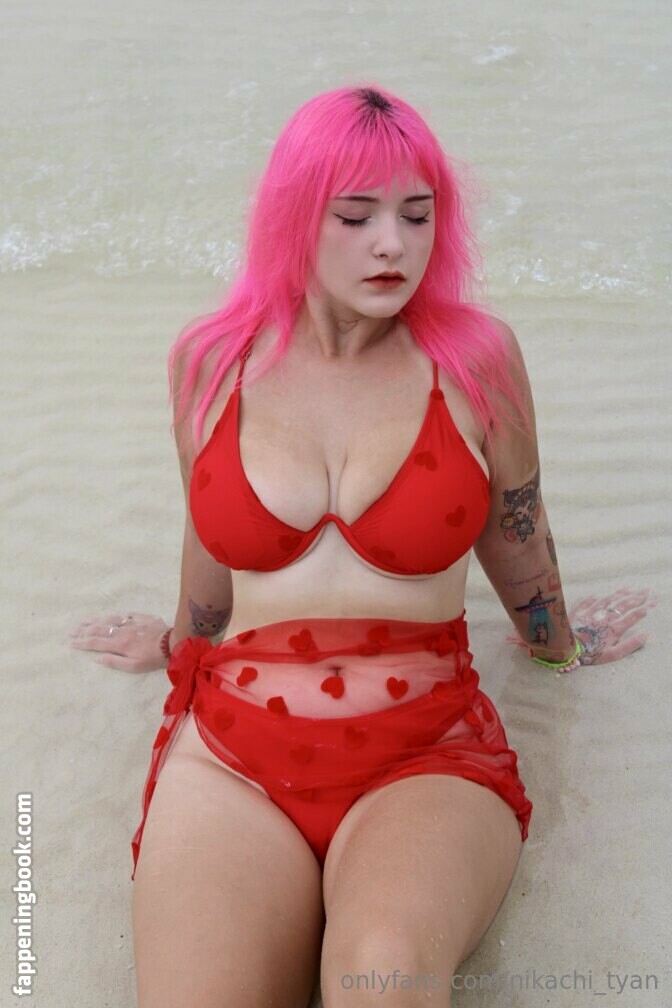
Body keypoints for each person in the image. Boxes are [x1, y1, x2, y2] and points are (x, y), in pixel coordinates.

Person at [69, 84, 652, 1008]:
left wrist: (559, 644)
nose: (394, 245)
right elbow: (210, 533)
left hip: (425, 752)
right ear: (296, 217)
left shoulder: (476, 360)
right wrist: (180, 644)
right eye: (357, 216)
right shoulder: (209, 361)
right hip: (233, 756)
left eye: (417, 216)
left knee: (379, 978)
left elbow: (520, 530)